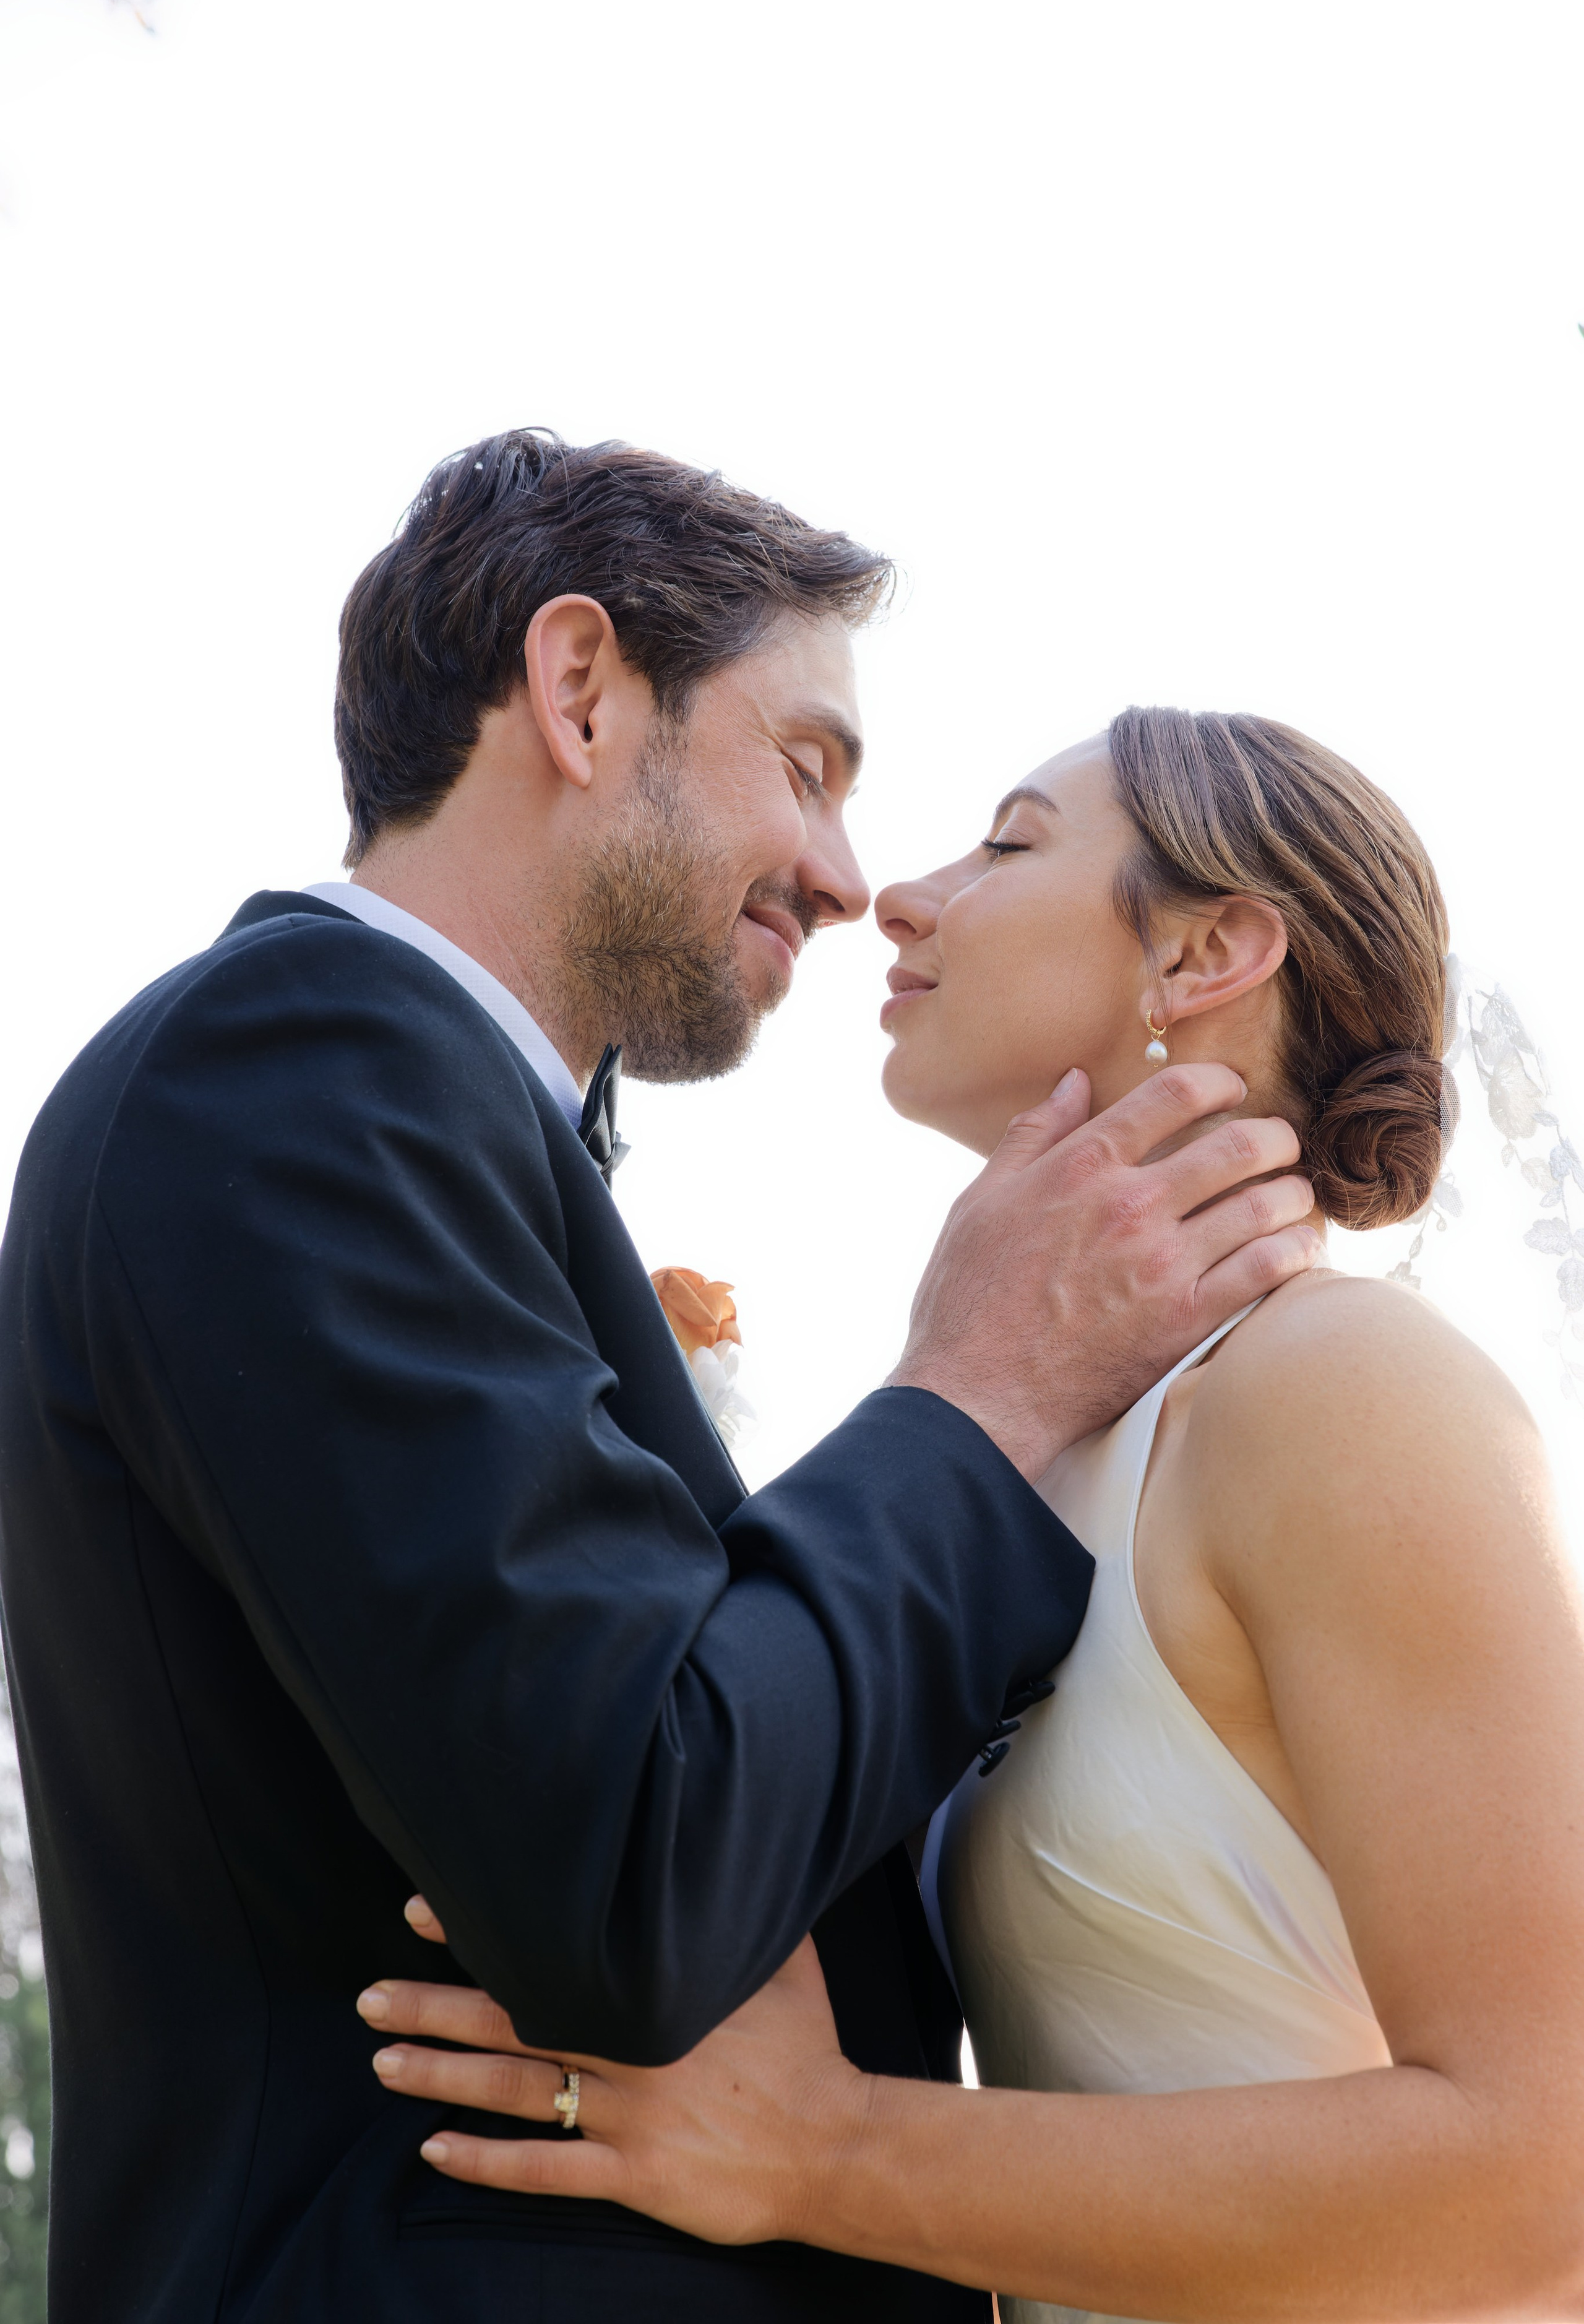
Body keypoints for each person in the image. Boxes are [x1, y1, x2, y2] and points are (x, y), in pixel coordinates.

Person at [0, 444, 1319, 2324]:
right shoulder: (291, 1072)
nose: (854, 879)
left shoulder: (409, 1112)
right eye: (809, 767)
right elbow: (639, 1860)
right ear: (582, 690)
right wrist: (975, 1391)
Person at [363, 709, 1584, 2322]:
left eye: (1006, 844)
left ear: (1211, 948)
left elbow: (1544, 2169)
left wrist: (824, 2152)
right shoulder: (1053, 1454)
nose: (901, 898)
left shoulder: (1337, 1385)